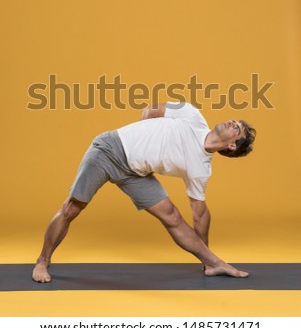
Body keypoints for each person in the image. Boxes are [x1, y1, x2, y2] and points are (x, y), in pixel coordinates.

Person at [32, 101, 256, 283]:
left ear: (232, 146)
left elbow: (199, 213)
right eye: (234, 121)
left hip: (135, 174)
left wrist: (205, 252)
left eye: (236, 128)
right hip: (109, 150)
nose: (231, 122)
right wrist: (141, 137)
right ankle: (43, 261)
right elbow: (152, 109)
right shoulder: (192, 115)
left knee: (173, 217)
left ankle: (213, 264)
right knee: (71, 209)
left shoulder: (201, 169)